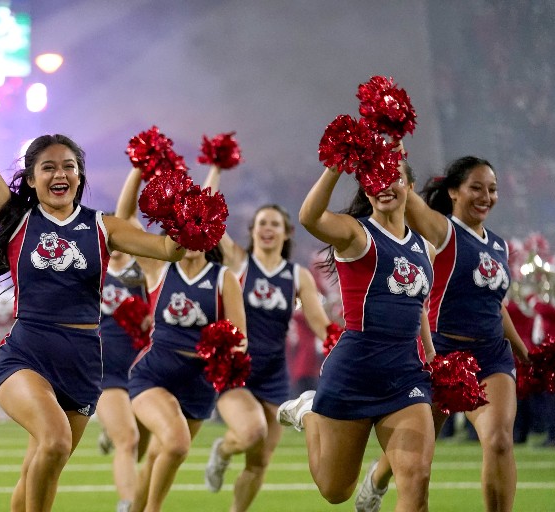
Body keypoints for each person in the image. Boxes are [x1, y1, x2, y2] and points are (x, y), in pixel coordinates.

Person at [0, 100, 185, 512]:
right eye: (48, 167)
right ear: (30, 179)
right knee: (54, 440)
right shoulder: (19, 221)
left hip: (83, 362)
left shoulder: (104, 226)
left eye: (68, 166)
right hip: (27, 353)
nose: (59, 173)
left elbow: (170, 249)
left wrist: (185, 215)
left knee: (41, 465)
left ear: (80, 176)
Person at [355, 157, 531, 512]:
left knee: (499, 441)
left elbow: (496, 305)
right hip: (444, 355)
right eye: (476, 188)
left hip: (492, 355)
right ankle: (379, 475)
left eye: (492, 189)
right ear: (453, 192)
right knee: (420, 449)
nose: (486, 196)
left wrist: (524, 352)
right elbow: (412, 201)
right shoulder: (442, 232)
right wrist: (397, 143)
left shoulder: (499, 246)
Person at [280, 161, 436, 512]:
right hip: (354, 372)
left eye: (393, 177)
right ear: (365, 188)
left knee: (416, 478)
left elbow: (418, 306)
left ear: (409, 186)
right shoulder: (355, 233)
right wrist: (335, 166)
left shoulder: (425, 249)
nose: (383, 185)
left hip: (405, 376)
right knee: (335, 490)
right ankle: (308, 411)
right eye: (372, 178)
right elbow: (309, 217)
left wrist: (431, 354)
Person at [113, 165, 246, 512]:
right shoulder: (159, 266)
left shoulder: (224, 279)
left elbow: (240, 339)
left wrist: (225, 353)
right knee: (175, 444)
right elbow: (125, 218)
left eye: (198, 224)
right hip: (154, 374)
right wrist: (138, 170)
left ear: (210, 233)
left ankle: (134, 508)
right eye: (183, 224)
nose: (190, 232)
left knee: (160, 452)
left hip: (200, 385)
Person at [201, 165, 331, 511]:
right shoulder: (239, 263)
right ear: (253, 231)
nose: (268, 229)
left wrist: (345, 345)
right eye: (262, 223)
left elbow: (320, 324)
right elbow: (207, 214)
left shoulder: (297, 275)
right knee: (250, 433)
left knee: (259, 462)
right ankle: (223, 450)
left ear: (287, 232)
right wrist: (216, 168)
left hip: (275, 372)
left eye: (275, 224)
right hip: (236, 368)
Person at [96, 247, 151, 512]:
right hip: (104, 369)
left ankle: (110, 429)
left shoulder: (144, 275)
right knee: (128, 440)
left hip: (143, 370)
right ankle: (128, 505)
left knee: (139, 443)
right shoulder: (91, 270)